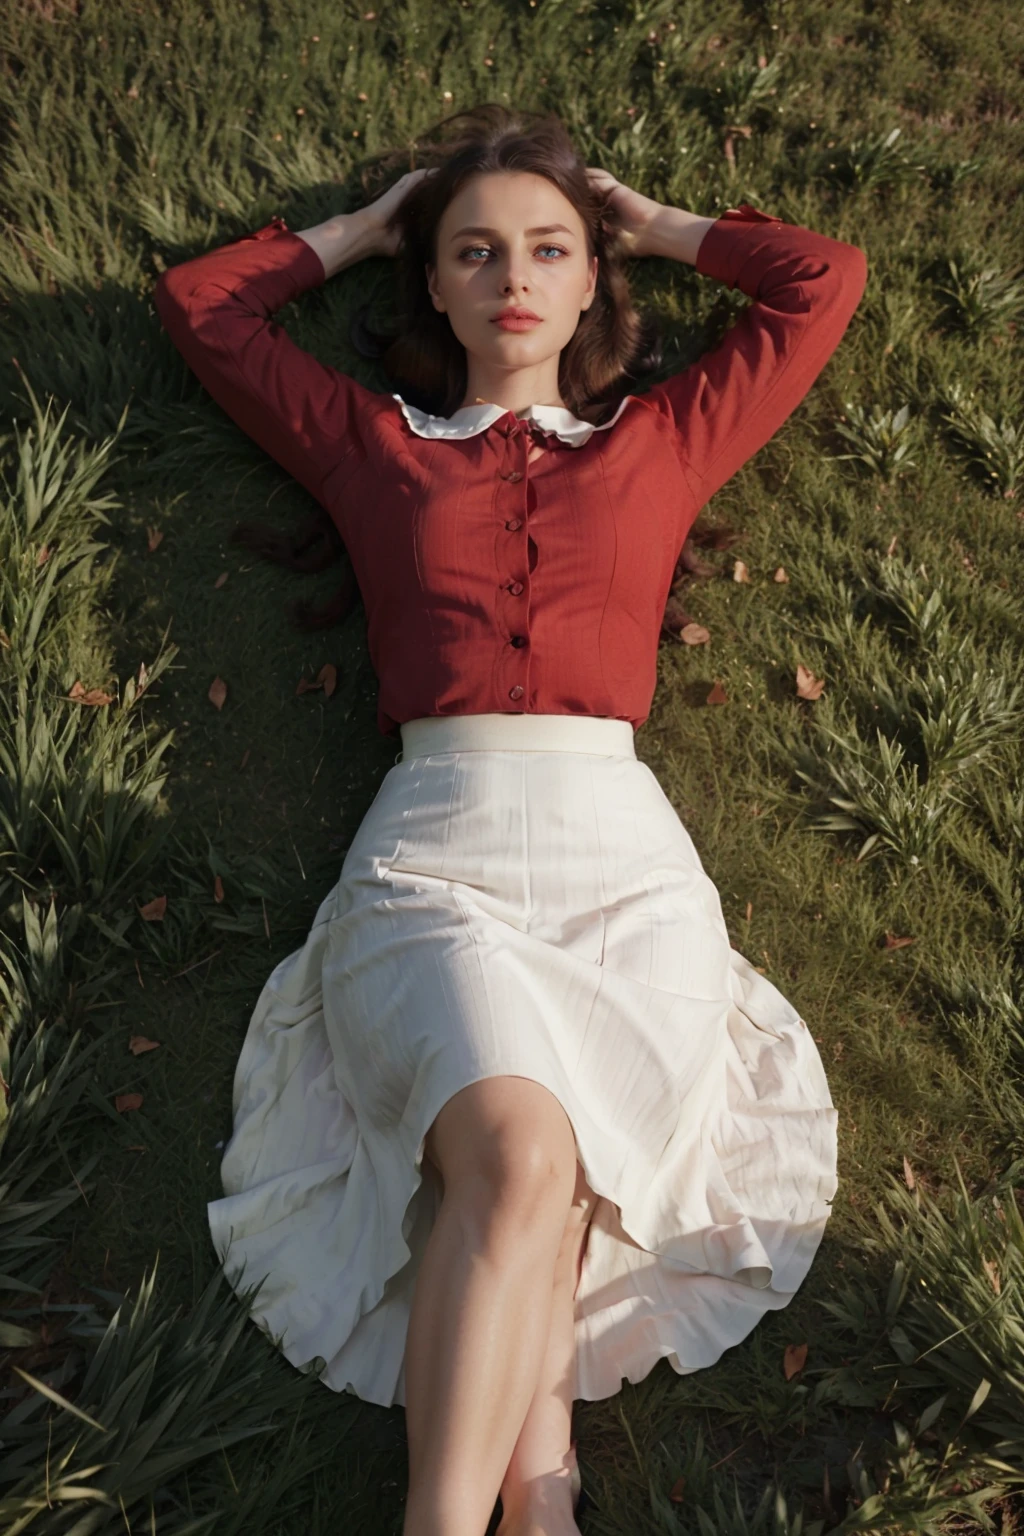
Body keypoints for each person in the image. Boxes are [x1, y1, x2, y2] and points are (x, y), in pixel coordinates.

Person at [154, 103, 866, 1536]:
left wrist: (654, 224)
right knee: (529, 1165)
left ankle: (541, 1501)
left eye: (550, 249)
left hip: (624, 873)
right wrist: (366, 226)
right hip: (438, 859)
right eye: (475, 252)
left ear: (591, 279)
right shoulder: (375, 448)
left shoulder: (662, 441)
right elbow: (203, 310)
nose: (515, 277)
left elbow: (821, 283)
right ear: (435, 283)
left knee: (545, 1186)